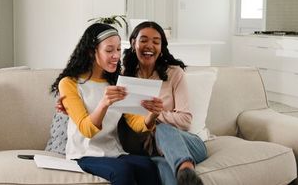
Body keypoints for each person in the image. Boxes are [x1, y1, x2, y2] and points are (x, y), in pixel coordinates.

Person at [50, 23, 162, 185]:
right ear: (91, 52)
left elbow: (136, 123)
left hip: (113, 152)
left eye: (118, 50)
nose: (116, 55)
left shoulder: (118, 82)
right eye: (109, 50)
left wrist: (152, 114)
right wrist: (104, 103)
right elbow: (86, 129)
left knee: (148, 165)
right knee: (122, 171)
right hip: (84, 154)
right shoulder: (69, 83)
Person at [121, 21, 207, 185]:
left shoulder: (175, 73)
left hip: (189, 145)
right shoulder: (126, 78)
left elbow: (186, 120)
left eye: (156, 41)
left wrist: (157, 115)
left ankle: (185, 166)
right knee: (165, 172)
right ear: (133, 43)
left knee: (162, 130)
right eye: (144, 40)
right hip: (153, 152)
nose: (149, 46)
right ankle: (186, 176)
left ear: (161, 47)